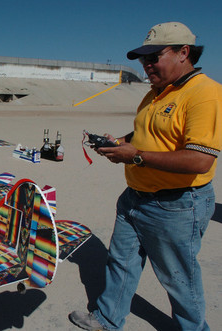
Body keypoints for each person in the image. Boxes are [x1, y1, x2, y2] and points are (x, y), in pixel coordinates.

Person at [70, 22, 222, 330]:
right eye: (143, 59)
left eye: (154, 57)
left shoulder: (205, 93)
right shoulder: (156, 93)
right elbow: (146, 132)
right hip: (134, 198)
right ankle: (108, 318)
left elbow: (200, 160)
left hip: (177, 204)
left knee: (179, 278)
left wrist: (135, 156)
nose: (146, 64)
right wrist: (122, 143)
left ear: (184, 52)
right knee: (120, 262)